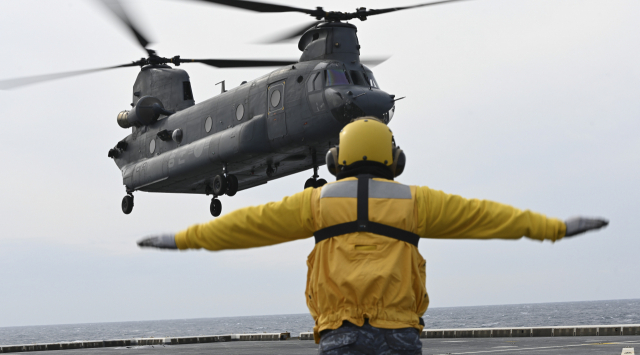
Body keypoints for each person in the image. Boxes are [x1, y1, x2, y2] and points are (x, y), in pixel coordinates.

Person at [138, 117, 608, 355]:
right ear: (393, 159)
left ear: (338, 159)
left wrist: (185, 238)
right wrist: (555, 229)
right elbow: (489, 217)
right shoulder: (416, 202)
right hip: (398, 335)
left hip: (340, 336)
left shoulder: (316, 203)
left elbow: (247, 227)